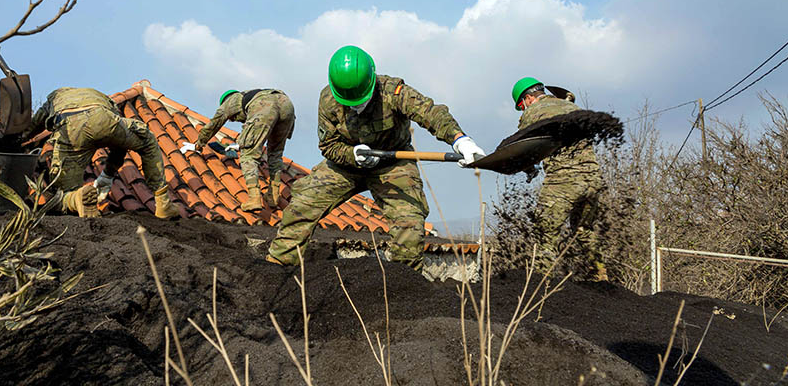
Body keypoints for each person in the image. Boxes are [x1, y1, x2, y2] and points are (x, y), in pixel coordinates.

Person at [268, 45, 485, 270]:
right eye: (349, 102)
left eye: (360, 100)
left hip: (393, 164)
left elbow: (431, 113)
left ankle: (403, 282)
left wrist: (459, 139)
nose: (356, 106)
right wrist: (352, 155)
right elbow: (329, 146)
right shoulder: (328, 100)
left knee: (409, 226)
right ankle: (275, 270)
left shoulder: (394, 92)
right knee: (300, 207)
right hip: (345, 165)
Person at [21, 87, 180, 219]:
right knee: (147, 140)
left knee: (63, 193)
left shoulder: (54, 97)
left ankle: (76, 199)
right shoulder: (99, 96)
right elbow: (119, 146)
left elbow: (34, 126)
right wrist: (108, 175)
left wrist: (17, 139)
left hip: (70, 128)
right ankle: (163, 204)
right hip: (103, 118)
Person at [512, 77, 606, 279]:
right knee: (584, 231)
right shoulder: (572, 106)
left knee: (545, 233)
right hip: (592, 177)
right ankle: (600, 277)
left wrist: (527, 168)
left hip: (564, 179)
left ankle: (540, 284)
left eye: (521, 106)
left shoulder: (533, 112)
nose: (523, 109)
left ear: (528, 98)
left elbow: (524, 146)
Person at [182, 88, 295, 211]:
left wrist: (198, 144)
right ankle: (273, 196)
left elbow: (215, 122)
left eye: (234, 118)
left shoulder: (231, 100)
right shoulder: (250, 97)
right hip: (287, 105)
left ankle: (254, 198)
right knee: (275, 154)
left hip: (266, 105)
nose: (235, 120)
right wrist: (240, 143)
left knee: (248, 155)